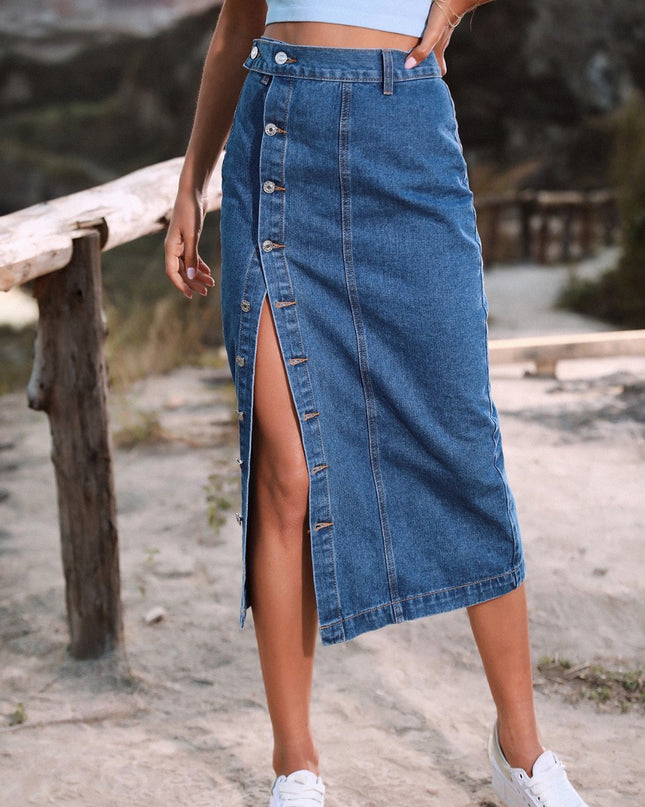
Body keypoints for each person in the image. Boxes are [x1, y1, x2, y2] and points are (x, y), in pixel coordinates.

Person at [165, 2, 591, 806]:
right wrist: (190, 183)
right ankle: (294, 764)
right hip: (278, 133)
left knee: (461, 446)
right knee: (285, 474)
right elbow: (234, 26)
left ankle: (521, 752)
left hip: (403, 138)